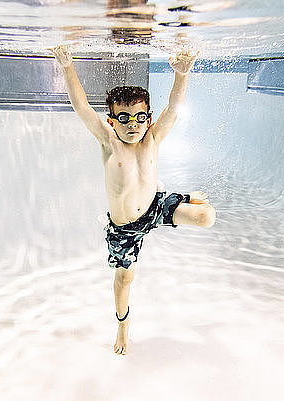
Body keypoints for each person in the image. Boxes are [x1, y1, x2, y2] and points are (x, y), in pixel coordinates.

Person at [51, 45, 216, 355]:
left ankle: (179, 198)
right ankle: (123, 327)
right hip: (125, 227)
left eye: (140, 117)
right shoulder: (109, 142)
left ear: (148, 118)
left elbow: (173, 109)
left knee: (207, 217)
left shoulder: (153, 137)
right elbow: (82, 107)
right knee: (126, 278)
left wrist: (182, 74)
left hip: (153, 206)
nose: (133, 124)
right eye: (123, 118)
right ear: (112, 121)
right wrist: (67, 66)